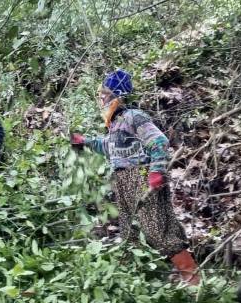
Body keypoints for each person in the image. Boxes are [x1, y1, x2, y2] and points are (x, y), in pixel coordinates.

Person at [70, 70, 200, 285]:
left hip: (141, 178)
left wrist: (157, 170)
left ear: (116, 95)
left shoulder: (134, 116)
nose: (100, 98)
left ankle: (195, 284)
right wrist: (84, 141)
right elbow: (110, 147)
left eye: (104, 93)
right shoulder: (116, 124)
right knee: (131, 236)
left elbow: (159, 142)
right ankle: (141, 287)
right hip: (123, 181)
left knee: (159, 233)